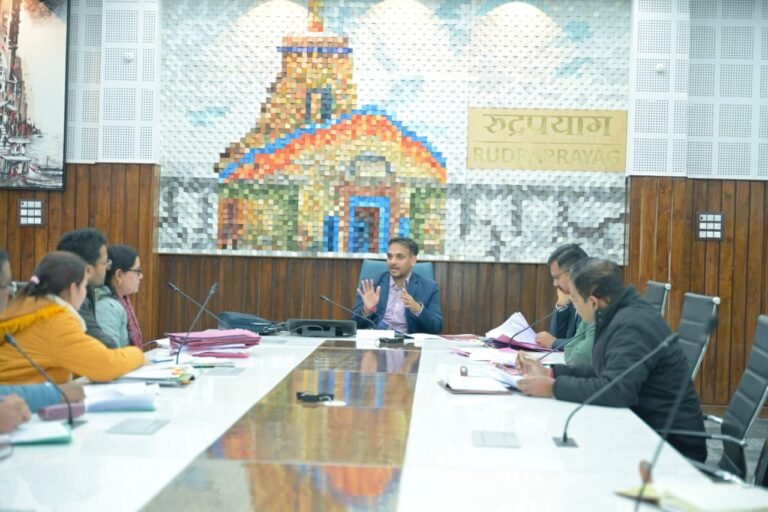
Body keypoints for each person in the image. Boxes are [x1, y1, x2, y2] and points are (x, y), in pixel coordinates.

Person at [516, 258, 707, 462]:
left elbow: (616, 390)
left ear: (593, 302)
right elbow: (604, 371)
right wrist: (552, 372)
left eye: (574, 298)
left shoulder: (632, 325)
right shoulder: (616, 314)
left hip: (669, 447)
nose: (573, 304)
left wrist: (553, 388)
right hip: (640, 429)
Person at [0, 251, 145, 385]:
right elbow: (107, 365)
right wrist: (139, 354)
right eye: (84, 286)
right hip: (22, 401)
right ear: (73, 288)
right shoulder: (54, 320)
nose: (85, 293)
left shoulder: (26, 307)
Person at [0, 249, 85, 413]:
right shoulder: (55, 318)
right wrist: (54, 394)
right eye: (7, 285)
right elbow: (104, 364)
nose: (11, 295)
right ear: (73, 288)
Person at [352, 237, 442, 334]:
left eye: (400, 257)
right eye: (389, 256)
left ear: (413, 260)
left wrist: (418, 309)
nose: (393, 262)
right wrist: (366, 311)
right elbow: (355, 325)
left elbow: (436, 327)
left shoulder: (429, 287)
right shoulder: (371, 285)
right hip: (376, 339)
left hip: (409, 341)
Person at [57, 228, 117, 348]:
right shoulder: (69, 295)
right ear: (88, 270)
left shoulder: (84, 289)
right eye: (104, 263)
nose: (107, 268)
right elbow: (102, 344)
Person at [535, 244, 588, 350]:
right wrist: (561, 307)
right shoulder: (571, 298)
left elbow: (585, 344)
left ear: (573, 272)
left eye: (557, 277)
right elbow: (557, 337)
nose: (555, 284)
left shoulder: (593, 300)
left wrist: (554, 342)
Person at [94, 245, 144, 348]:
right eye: (137, 271)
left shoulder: (120, 300)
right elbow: (110, 353)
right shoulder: (106, 307)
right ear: (119, 275)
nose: (141, 276)